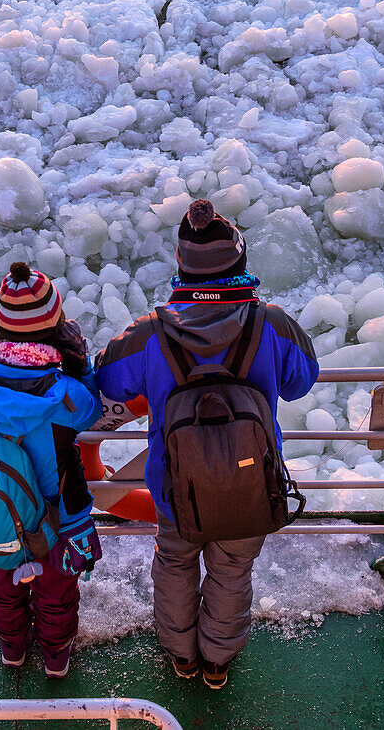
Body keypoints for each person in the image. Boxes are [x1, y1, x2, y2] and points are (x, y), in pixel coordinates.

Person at [95, 199, 318, 689]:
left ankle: (182, 655)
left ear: (181, 266)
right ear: (240, 262)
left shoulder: (151, 332)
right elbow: (303, 381)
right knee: (233, 569)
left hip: (176, 489)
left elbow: (108, 379)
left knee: (175, 563)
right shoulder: (272, 323)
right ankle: (217, 661)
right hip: (251, 482)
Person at [0, 262, 102, 678]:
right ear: (56, 322)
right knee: (57, 592)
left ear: (0, 322)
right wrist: (79, 365)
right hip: (57, 516)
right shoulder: (66, 394)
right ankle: (56, 657)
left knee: (1, 588)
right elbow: (92, 411)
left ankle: (12, 649)